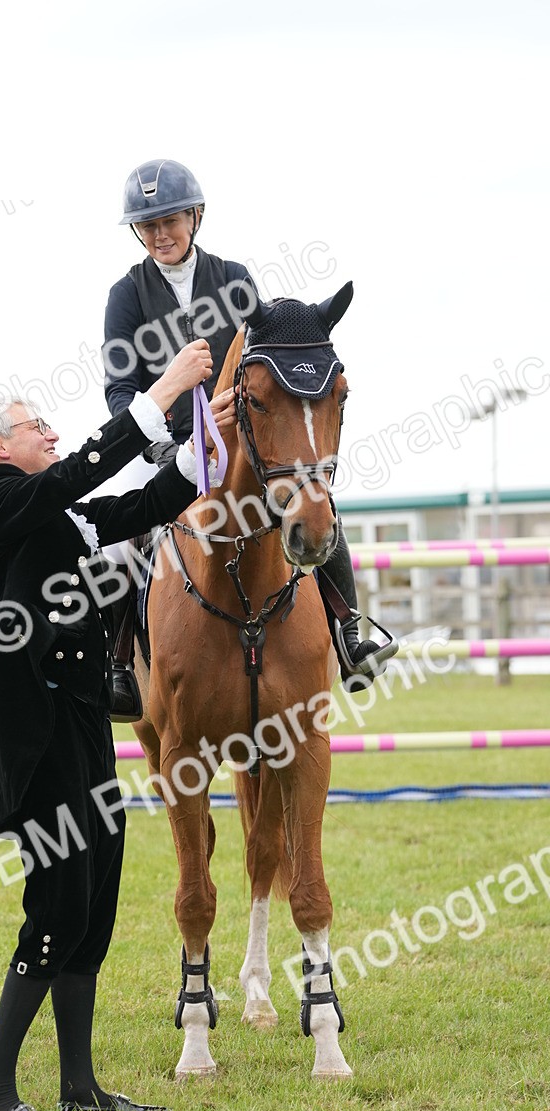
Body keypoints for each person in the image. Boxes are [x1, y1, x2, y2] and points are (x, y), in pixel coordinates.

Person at [0, 337, 233, 1111]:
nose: (52, 433)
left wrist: (209, 435)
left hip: (79, 723)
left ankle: (79, 1087)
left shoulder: (50, 510)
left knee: (94, 898)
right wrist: (162, 391)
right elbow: (76, 476)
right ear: (0, 446)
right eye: (36, 425)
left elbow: (138, 506)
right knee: (58, 904)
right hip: (32, 737)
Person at [102, 157, 396, 703]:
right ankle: (120, 661)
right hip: (162, 446)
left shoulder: (233, 279)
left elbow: (263, 362)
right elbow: (119, 389)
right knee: (121, 541)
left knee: (313, 501)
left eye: (170, 221)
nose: (160, 234)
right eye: (148, 225)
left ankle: (348, 633)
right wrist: (159, 440)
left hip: (235, 443)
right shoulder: (127, 294)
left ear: (195, 217)